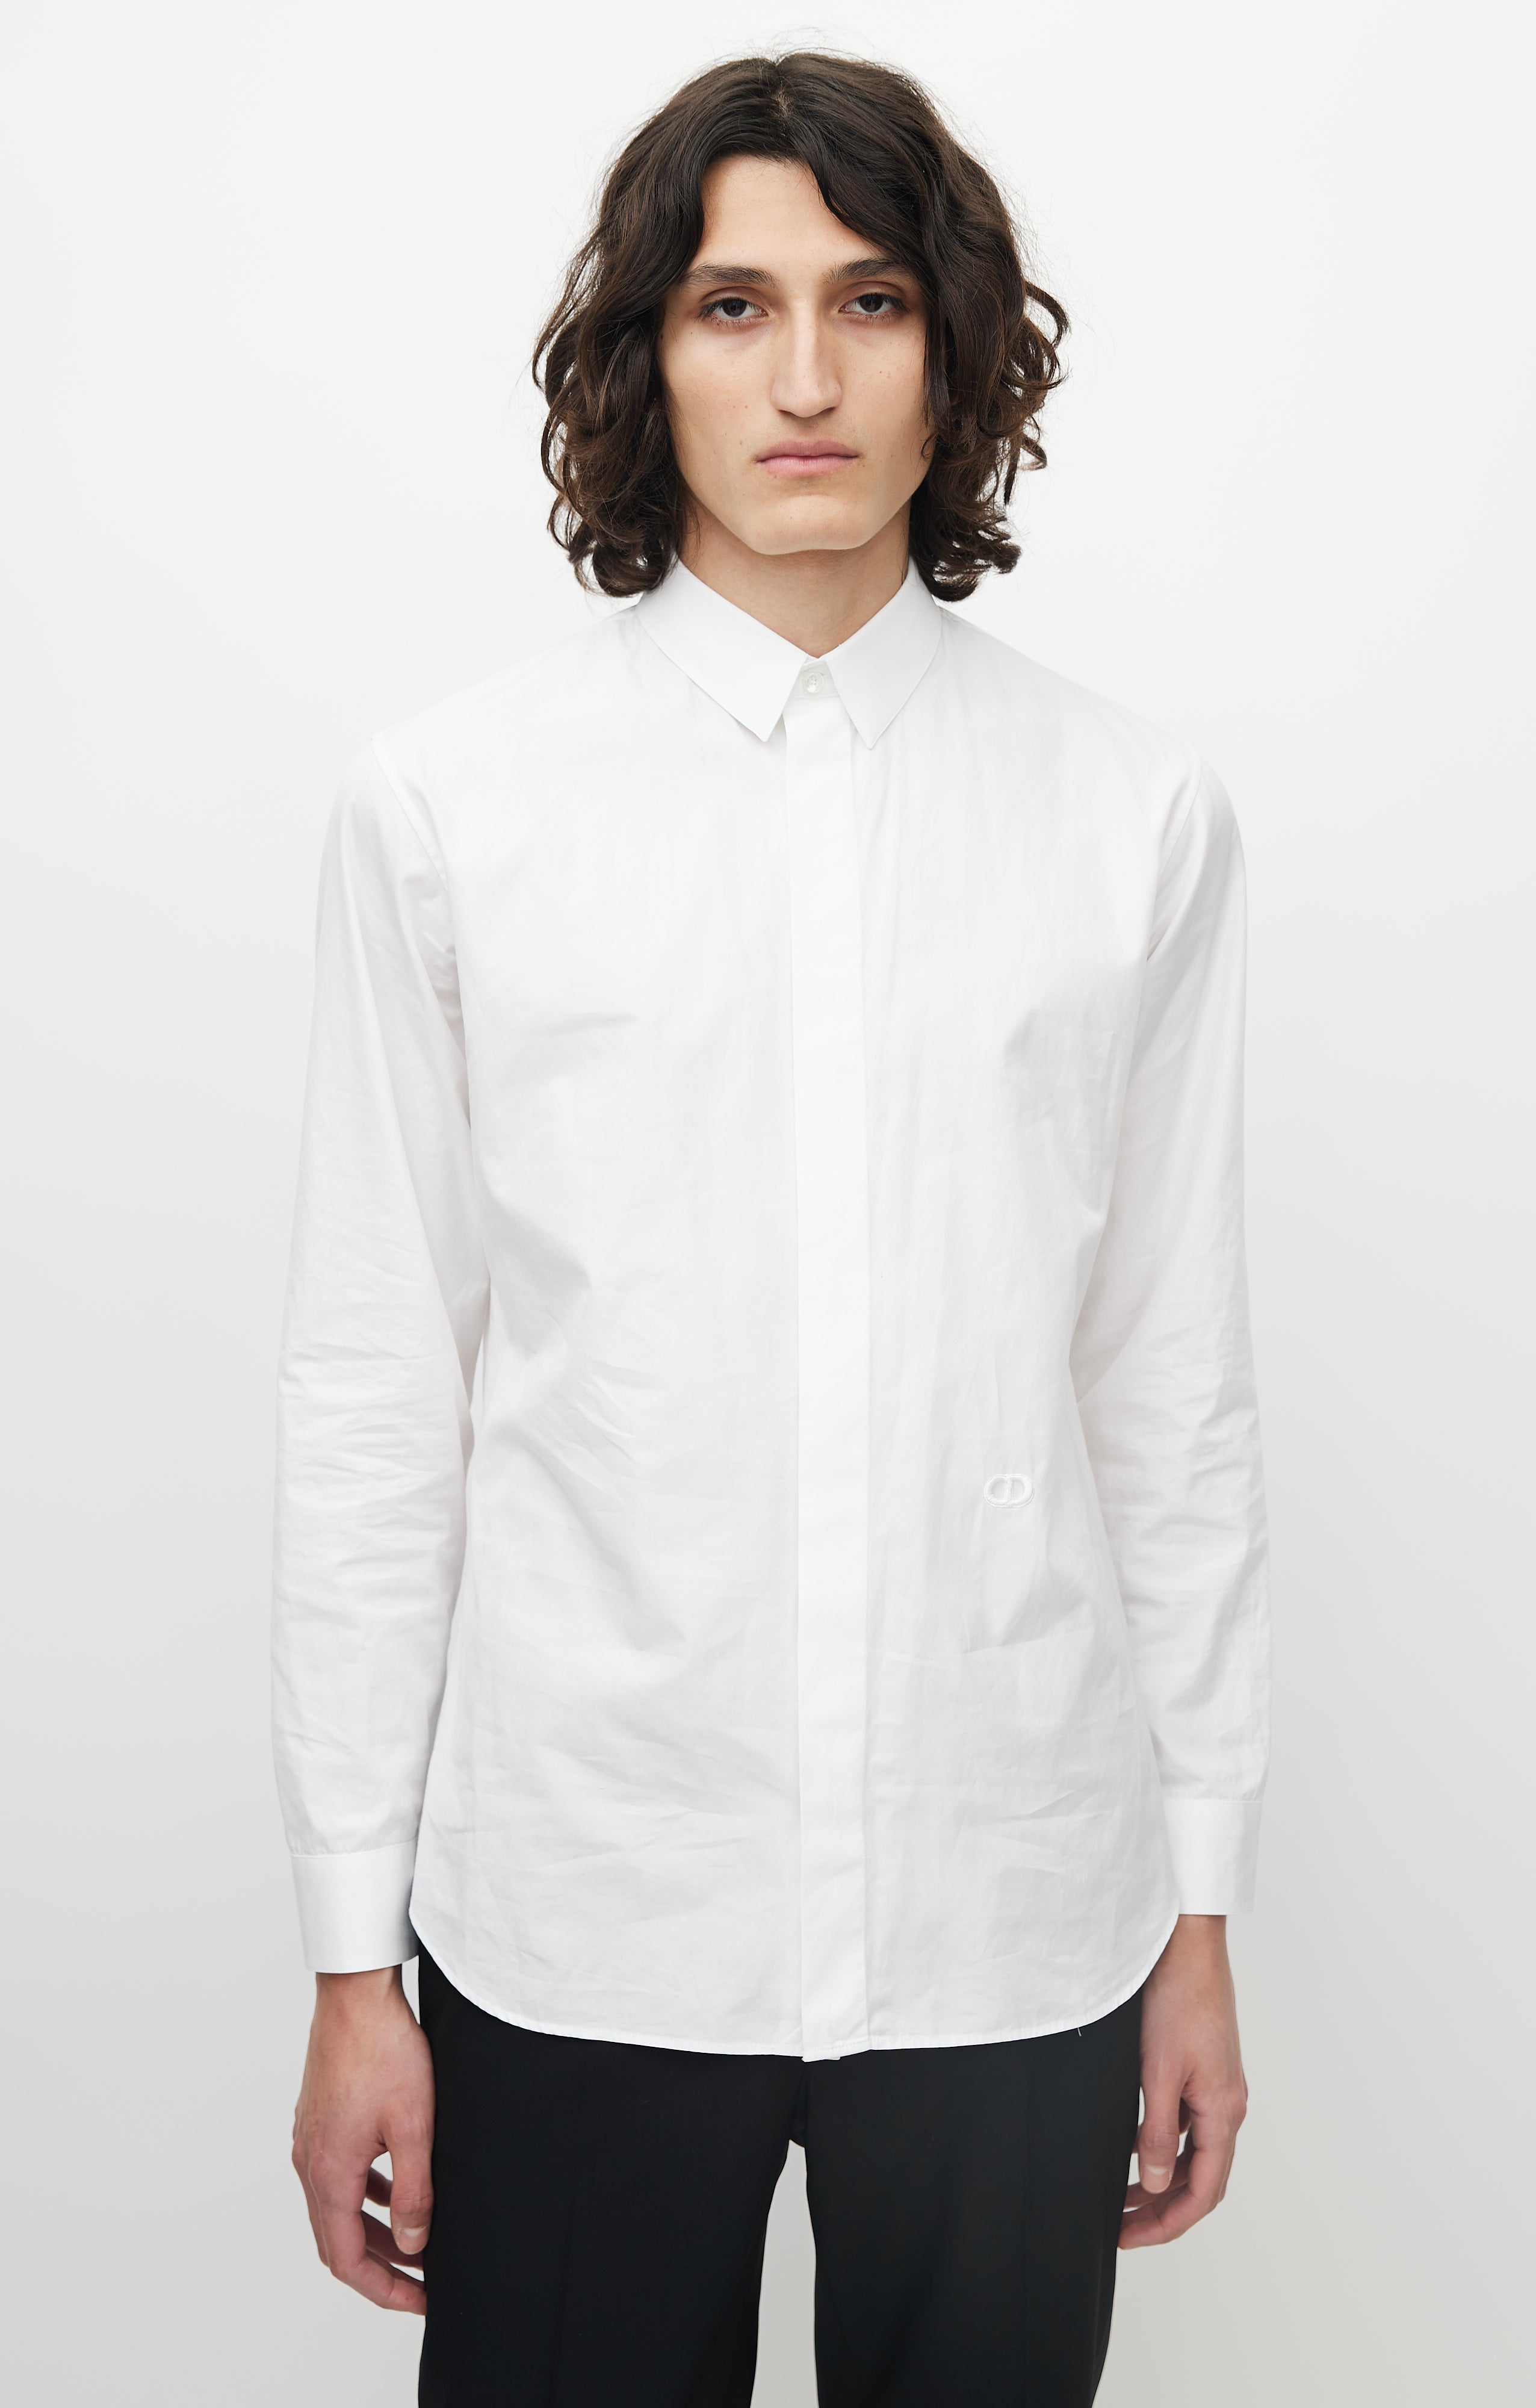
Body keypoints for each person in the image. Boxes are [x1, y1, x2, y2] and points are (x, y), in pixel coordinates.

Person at [275, 49, 1269, 2408]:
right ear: (648, 356)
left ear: (957, 353)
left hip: (1010, 1908)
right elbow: (375, 1393)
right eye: (733, 304)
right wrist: (347, 1958)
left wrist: (1197, 1907)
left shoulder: (1131, 818)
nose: (806, 376)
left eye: (872, 301)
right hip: (586, 1903)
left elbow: (1171, 1387)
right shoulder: (450, 807)